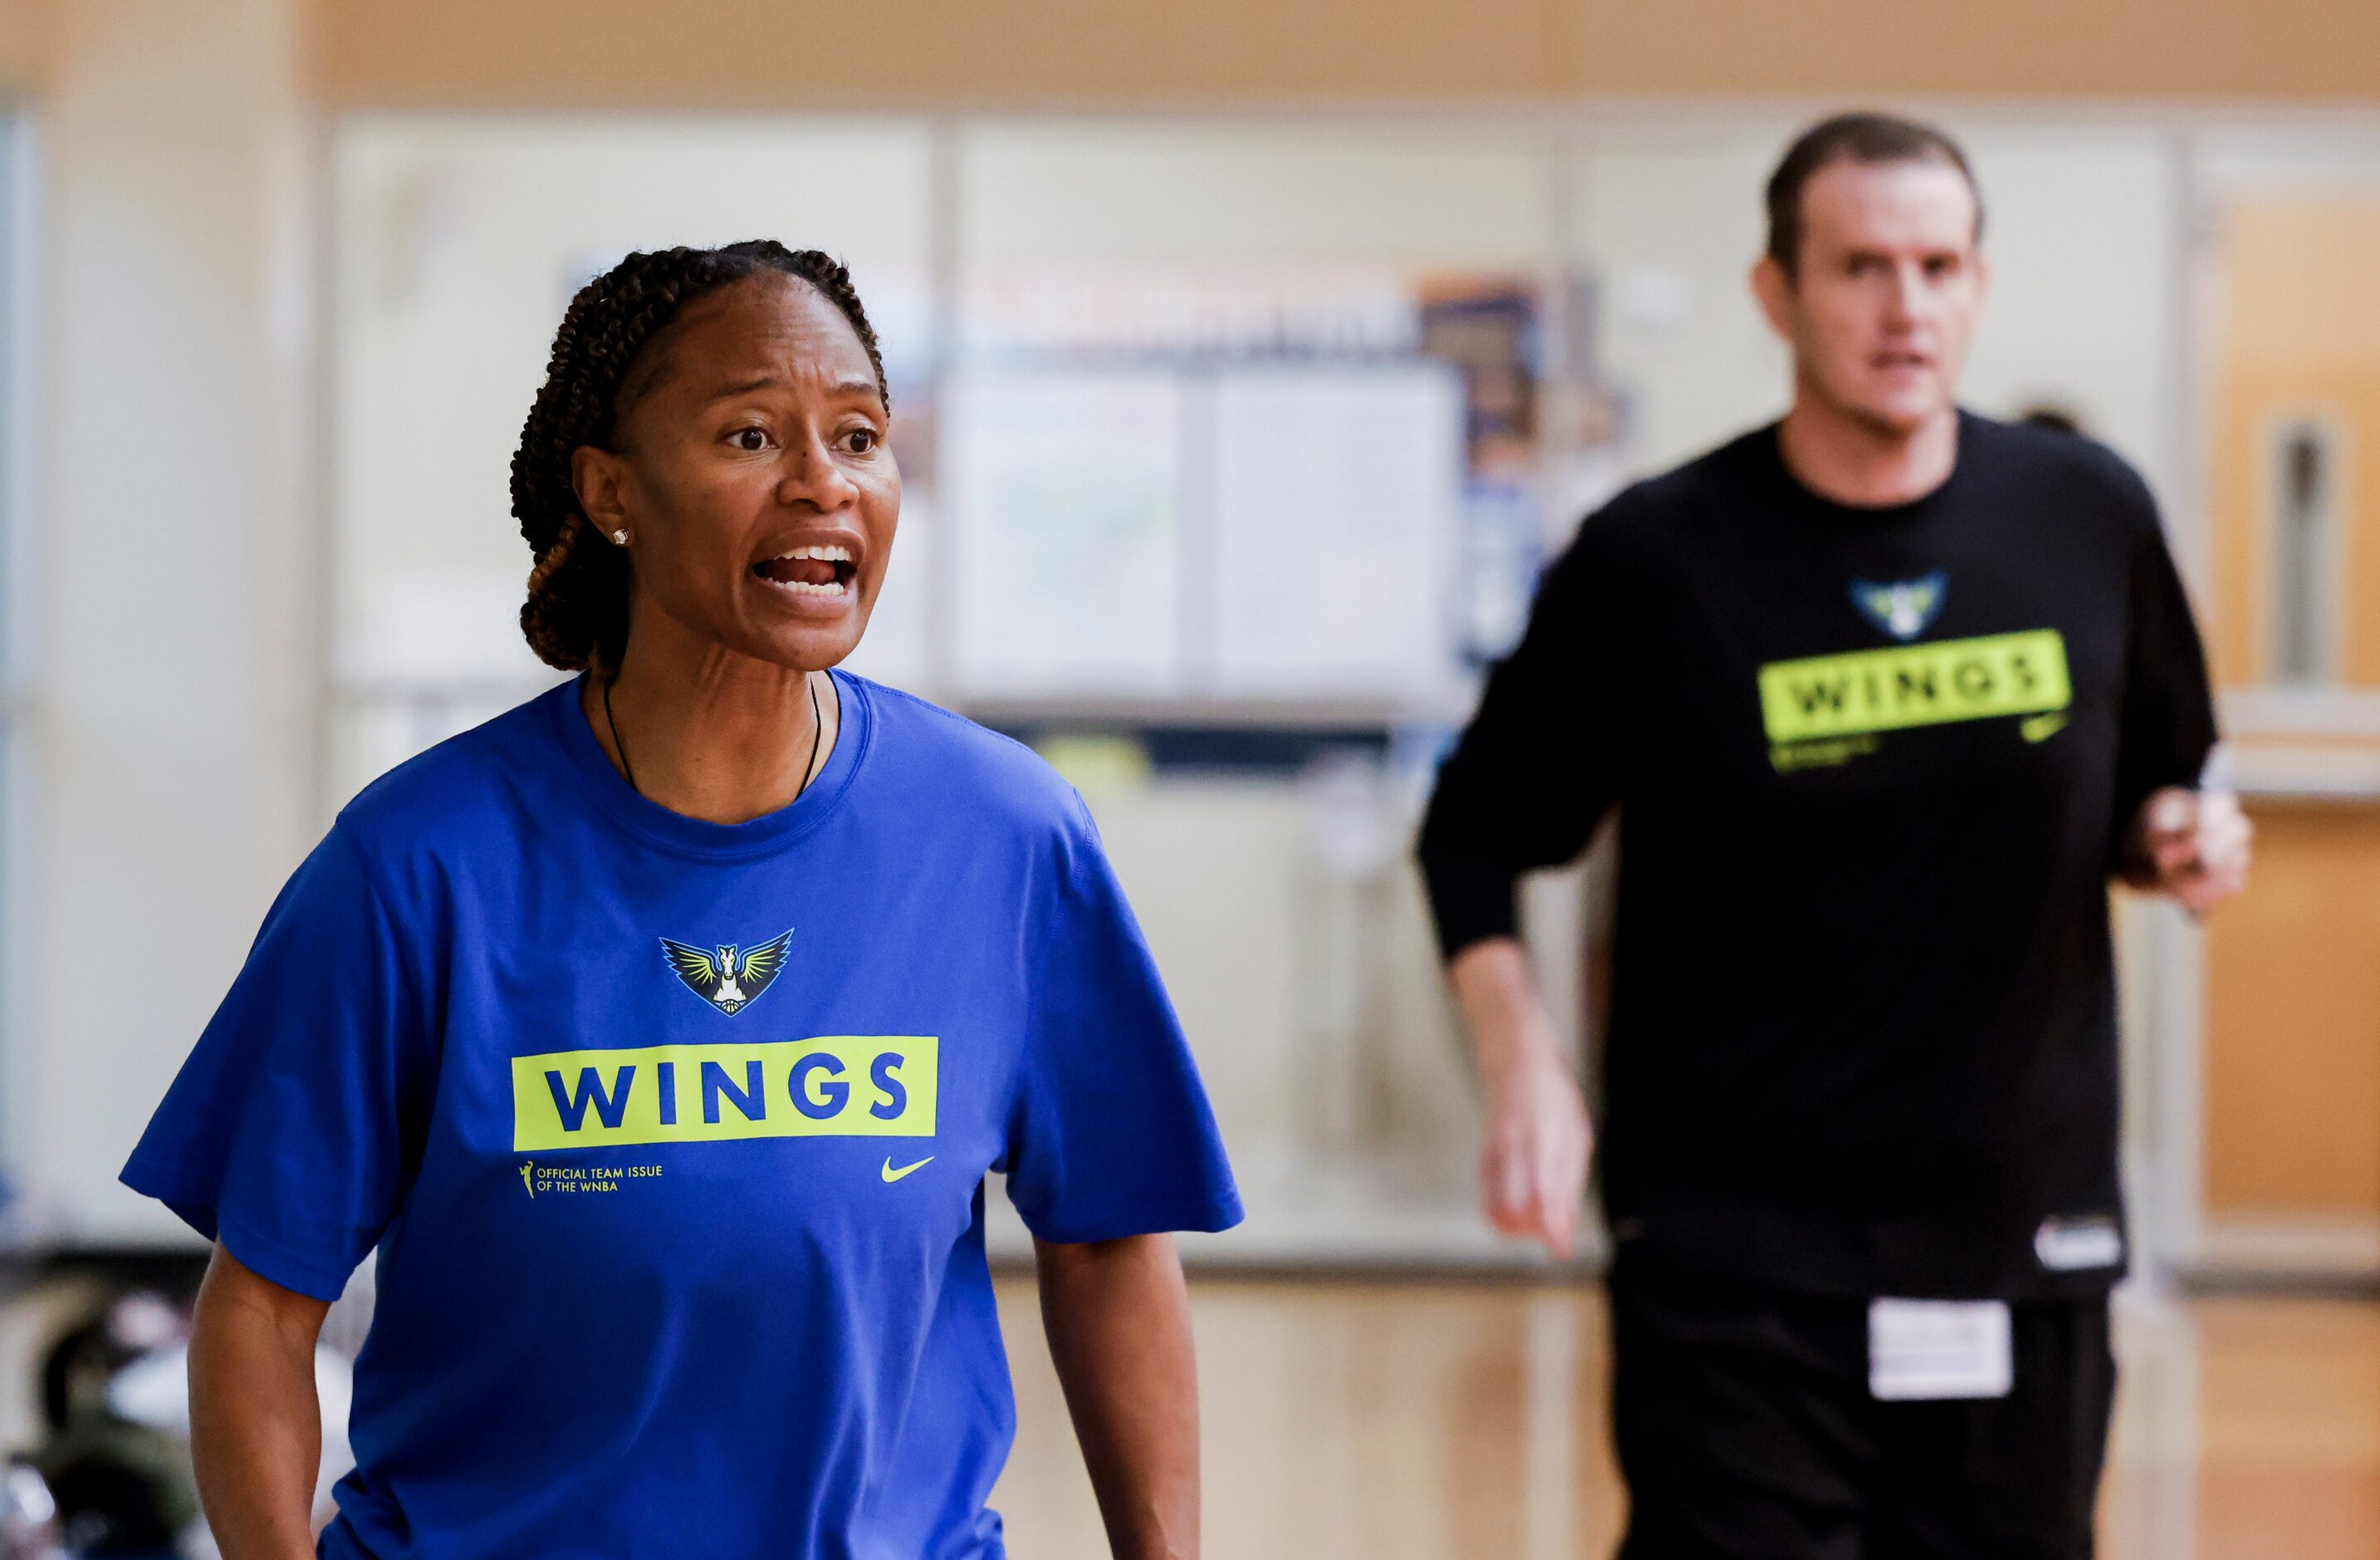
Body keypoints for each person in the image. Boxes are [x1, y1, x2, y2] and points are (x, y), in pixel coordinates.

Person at [121, 242, 1241, 1560]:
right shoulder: (416, 864)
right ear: (610, 491)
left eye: (860, 434)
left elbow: (1108, 1244)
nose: (824, 480)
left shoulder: (1004, 837)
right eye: (751, 433)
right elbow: (258, 1309)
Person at [1418, 114, 2250, 1558]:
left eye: (1937, 265)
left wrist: (2182, 837)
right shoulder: (1655, 558)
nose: (1904, 306)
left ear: (1979, 283)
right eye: (1861, 266)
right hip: (1738, 1259)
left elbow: (2160, 790)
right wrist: (1527, 1068)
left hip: (2021, 1239)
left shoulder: (2084, 516)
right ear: (1775, 292)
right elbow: (1473, 835)